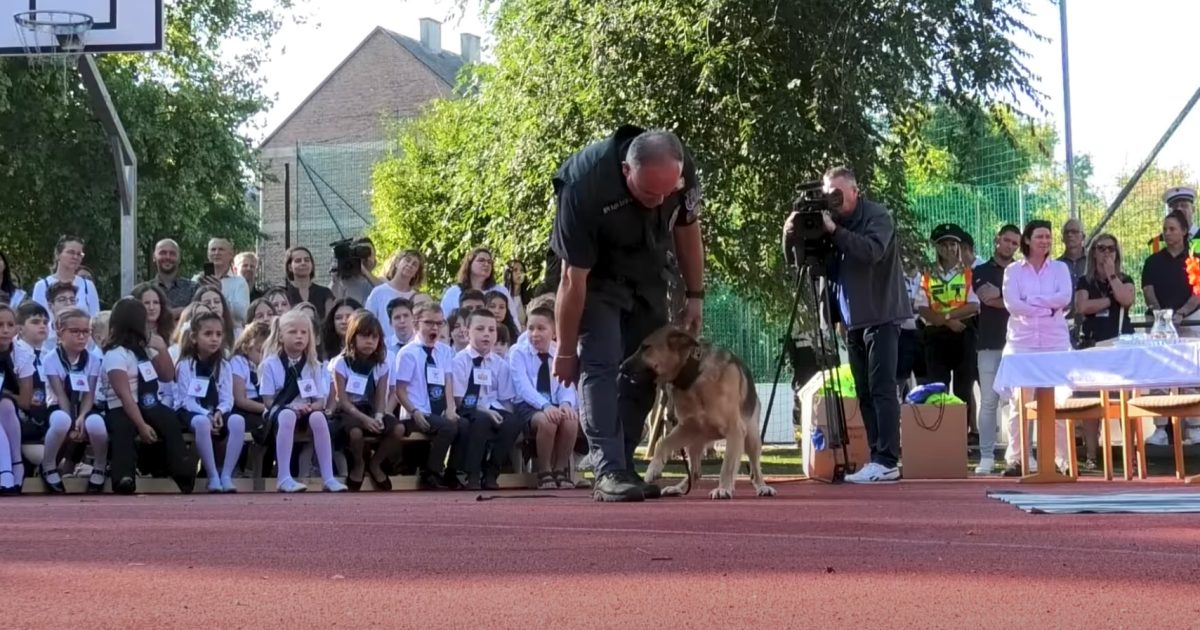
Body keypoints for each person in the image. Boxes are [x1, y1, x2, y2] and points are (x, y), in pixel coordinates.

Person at [549, 126, 705, 502]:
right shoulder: (584, 186)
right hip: (596, 279)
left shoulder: (680, 170)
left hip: (649, 273)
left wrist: (695, 294)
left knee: (647, 366)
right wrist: (566, 351)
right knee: (600, 364)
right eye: (650, 193)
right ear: (625, 171)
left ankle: (624, 464)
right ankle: (607, 470)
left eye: (667, 192)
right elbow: (571, 280)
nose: (659, 201)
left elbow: (687, 229)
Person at [785, 166, 909, 483]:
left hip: (882, 315)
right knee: (864, 392)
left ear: (855, 191)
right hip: (853, 322)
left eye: (838, 194)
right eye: (829, 195)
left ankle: (887, 460)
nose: (833, 201)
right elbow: (808, 264)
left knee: (882, 389)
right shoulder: (833, 221)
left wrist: (833, 231)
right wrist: (792, 233)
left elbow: (871, 251)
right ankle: (876, 457)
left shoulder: (877, 216)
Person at [1001, 219, 1072, 475]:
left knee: (1058, 402)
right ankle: (1018, 459)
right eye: (1040, 236)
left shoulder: (1060, 268)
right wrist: (1046, 307)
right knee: (1020, 403)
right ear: (1028, 240)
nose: (1045, 241)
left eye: (1048, 236)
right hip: (1022, 344)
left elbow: (1064, 298)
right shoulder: (1013, 271)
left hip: (1055, 343)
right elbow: (1013, 304)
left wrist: (1031, 301)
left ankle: (1060, 461)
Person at [102, 297, 192, 494]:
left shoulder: (146, 350)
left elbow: (167, 375)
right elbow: (124, 395)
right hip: (122, 406)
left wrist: (161, 349)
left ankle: (182, 472)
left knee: (169, 420)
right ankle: (123, 477)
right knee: (123, 427)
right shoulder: (115, 354)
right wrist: (141, 425)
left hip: (149, 402)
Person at [258, 310, 346, 493]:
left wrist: (309, 407)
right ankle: (284, 477)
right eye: (293, 332)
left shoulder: (313, 364)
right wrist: (291, 407)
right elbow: (268, 401)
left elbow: (320, 401)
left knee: (319, 418)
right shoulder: (270, 364)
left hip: (306, 410)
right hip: (279, 411)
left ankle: (328, 478)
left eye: (304, 332)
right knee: (287, 415)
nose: (299, 336)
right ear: (280, 336)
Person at [1073, 233, 1135, 467]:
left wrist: (1111, 275)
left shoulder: (1124, 278)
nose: (1106, 253)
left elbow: (1126, 299)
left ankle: (1130, 456)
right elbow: (1082, 306)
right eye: (1101, 248)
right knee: (1091, 402)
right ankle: (1091, 455)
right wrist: (1109, 301)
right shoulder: (1085, 281)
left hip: (1119, 346)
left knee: (1124, 400)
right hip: (1093, 345)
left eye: (1111, 248)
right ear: (1093, 253)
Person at [914, 223, 979, 428]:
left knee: (963, 388)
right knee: (937, 388)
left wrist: (949, 316)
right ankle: (941, 432)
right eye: (944, 245)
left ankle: (962, 433)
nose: (949, 249)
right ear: (937, 248)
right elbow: (922, 308)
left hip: (963, 333)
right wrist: (947, 321)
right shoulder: (927, 273)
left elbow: (974, 305)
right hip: (936, 335)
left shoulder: (968, 272)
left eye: (953, 244)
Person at [174, 310, 246, 493]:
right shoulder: (186, 365)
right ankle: (212, 475)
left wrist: (220, 412)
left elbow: (227, 398)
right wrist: (207, 414)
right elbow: (187, 400)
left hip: (216, 411)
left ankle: (226, 475)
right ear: (194, 337)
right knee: (201, 422)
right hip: (192, 411)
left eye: (218, 334)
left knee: (238, 421)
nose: (214, 339)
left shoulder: (224, 365)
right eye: (208, 334)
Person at [38, 308, 107, 493]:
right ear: (61, 332)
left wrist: (82, 416)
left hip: (84, 407)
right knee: (62, 420)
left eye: (85, 332)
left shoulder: (93, 360)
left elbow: (89, 395)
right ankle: (48, 465)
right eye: (75, 331)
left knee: (96, 424)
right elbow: (60, 394)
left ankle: (100, 466)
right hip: (58, 407)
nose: (81, 336)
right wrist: (72, 425)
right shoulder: (51, 359)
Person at [450, 309, 521, 491]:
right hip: (468, 407)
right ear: (467, 332)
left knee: (512, 423)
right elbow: (458, 399)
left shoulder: (500, 364)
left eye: (491, 330)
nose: (486, 334)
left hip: (493, 407)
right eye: (480, 329)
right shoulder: (459, 361)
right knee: (481, 420)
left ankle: (491, 472)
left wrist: (504, 416)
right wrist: (486, 412)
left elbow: (505, 400)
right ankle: (472, 474)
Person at [393, 302, 460, 490]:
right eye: (429, 323)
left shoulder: (445, 351)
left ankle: (452, 473)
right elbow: (399, 390)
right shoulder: (408, 353)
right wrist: (414, 412)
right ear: (416, 324)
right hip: (417, 413)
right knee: (447, 427)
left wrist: (451, 408)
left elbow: (448, 381)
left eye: (439, 323)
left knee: (462, 424)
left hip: (439, 411)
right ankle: (430, 473)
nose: (435, 328)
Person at [510, 306, 578, 489]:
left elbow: (566, 383)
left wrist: (566, 403)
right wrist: (545, 406)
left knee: (571, 419)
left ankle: (560, 469)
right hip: (528, 405)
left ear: (554, 333)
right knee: (547, 421)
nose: (535, 334)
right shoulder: (518, 352)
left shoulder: (559, 353)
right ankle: (544, 470)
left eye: (541, 328)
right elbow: (523, 387)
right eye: (531, 328)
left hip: (554, 402)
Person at [330, 310, 399, 491]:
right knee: (355, 433)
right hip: (349, 411)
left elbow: (381, 397)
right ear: (353, 337)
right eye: (364, 336)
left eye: (374, 337)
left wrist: (378, 416)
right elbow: (342, 400)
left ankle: (375, 463)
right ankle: (359, 463)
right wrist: (364, 419)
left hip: (371, 409)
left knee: (398, 428)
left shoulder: (382, 364)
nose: (370, 341)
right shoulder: (341, 363)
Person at [972, 224, 1020, 475]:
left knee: (1018, 402)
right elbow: (987, 298)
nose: (1010, 246)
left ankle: (1020, 455)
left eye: (1015, 243)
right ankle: (987, 456)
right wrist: (1015, 298)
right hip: (989, 343)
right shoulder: (981, 270)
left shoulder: (1021, 271)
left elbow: (1021, 302)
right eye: (1007, 240)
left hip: (1017, 345)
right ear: (997, 240)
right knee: (989, 401)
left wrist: (1003, 296)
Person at [0, 304, 34, 494]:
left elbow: (25, 401)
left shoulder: (22, 354)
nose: (5, 330)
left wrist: (4, 393)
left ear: (17, 328)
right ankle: (7, 469)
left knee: (5, 405)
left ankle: (14, 466)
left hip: (13, 413)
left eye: (10, 325)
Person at [31, 235, 101, 318]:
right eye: (71, 252)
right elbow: (37, 318)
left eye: (79, 254)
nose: (75, 257)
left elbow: (95, 318)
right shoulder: (42, 286)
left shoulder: (88, 286)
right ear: (57, 254)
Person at [439, 248, 517, 320]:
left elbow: (514, 320)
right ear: (469, 264)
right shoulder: (454, 292)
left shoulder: (501, 291)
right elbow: (443, 320)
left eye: (489, 262)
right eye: (481, 260)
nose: (486, 264)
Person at [194, 238, 250, 327]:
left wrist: (220, 293)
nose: (216, 253)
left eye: (221, 249)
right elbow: (191, 309)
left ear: (231, 254)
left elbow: (243, 314)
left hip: (230, 330)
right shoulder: (197, 280)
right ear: (208, 254)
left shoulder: (239, 282)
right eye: (213, 250)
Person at [365, 249, 424, 326]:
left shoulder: (416, 298)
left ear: (416, 273)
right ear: (397, 263)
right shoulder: (378, 292)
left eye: (414, 264)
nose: (410, 265)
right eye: (407, 260)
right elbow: (367, 322)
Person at [284, 247, 335, 321]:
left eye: (307, 260)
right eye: (298, 261)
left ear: (312, 265)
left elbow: (330, 321)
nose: (303, 263)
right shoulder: (284, 293)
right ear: (290, 267)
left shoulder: (325, 293)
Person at [151, 239, 198, 315]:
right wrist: (183, 310)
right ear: (154, 257)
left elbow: (197, 313)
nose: (168, 257)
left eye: (172, 253)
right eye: (163, 253)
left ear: (179, 258)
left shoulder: (194, 288)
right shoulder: (143, 290)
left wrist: (156, 314)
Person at [330, 237, 382, 305]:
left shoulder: (380, 282)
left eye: (368, 253)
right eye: (360, 252)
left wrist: (365, 272)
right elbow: (333, 303)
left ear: (375, 262)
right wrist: (335, 279)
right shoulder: (342, 282)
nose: (365, 258)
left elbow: (386, 293)